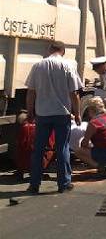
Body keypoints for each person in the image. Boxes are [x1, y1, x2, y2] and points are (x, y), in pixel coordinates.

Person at [25, 41, 83, 194]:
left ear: (50, 50)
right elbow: (74, 94)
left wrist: (30, 111)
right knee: (62, 147)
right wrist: (77, 114)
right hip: (62, 114)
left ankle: (34, 185)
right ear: (63, 51)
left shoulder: (38, 66)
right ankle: (64, 184)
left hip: (42, 114)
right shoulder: (68, 66)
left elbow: (31, 92)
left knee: (38, 149)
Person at [74, 97, 106, 176]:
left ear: (91, 110)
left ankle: (100, 167)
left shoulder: (94, 123)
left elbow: (85, 143)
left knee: (78, 151)